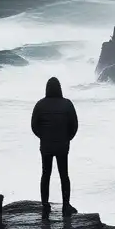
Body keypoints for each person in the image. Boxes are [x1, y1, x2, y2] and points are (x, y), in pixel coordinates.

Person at [31, 76, 79, 216]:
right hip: (62, 146)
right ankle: (65, 206)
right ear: (60, 89)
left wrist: (43, 137)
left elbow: (34, 126)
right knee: (64, 175)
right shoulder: (67, 104)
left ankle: (45, 205)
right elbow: (74, 125)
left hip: (46, 146)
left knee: (46, 174)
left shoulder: (40, 104)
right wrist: (66, 138)